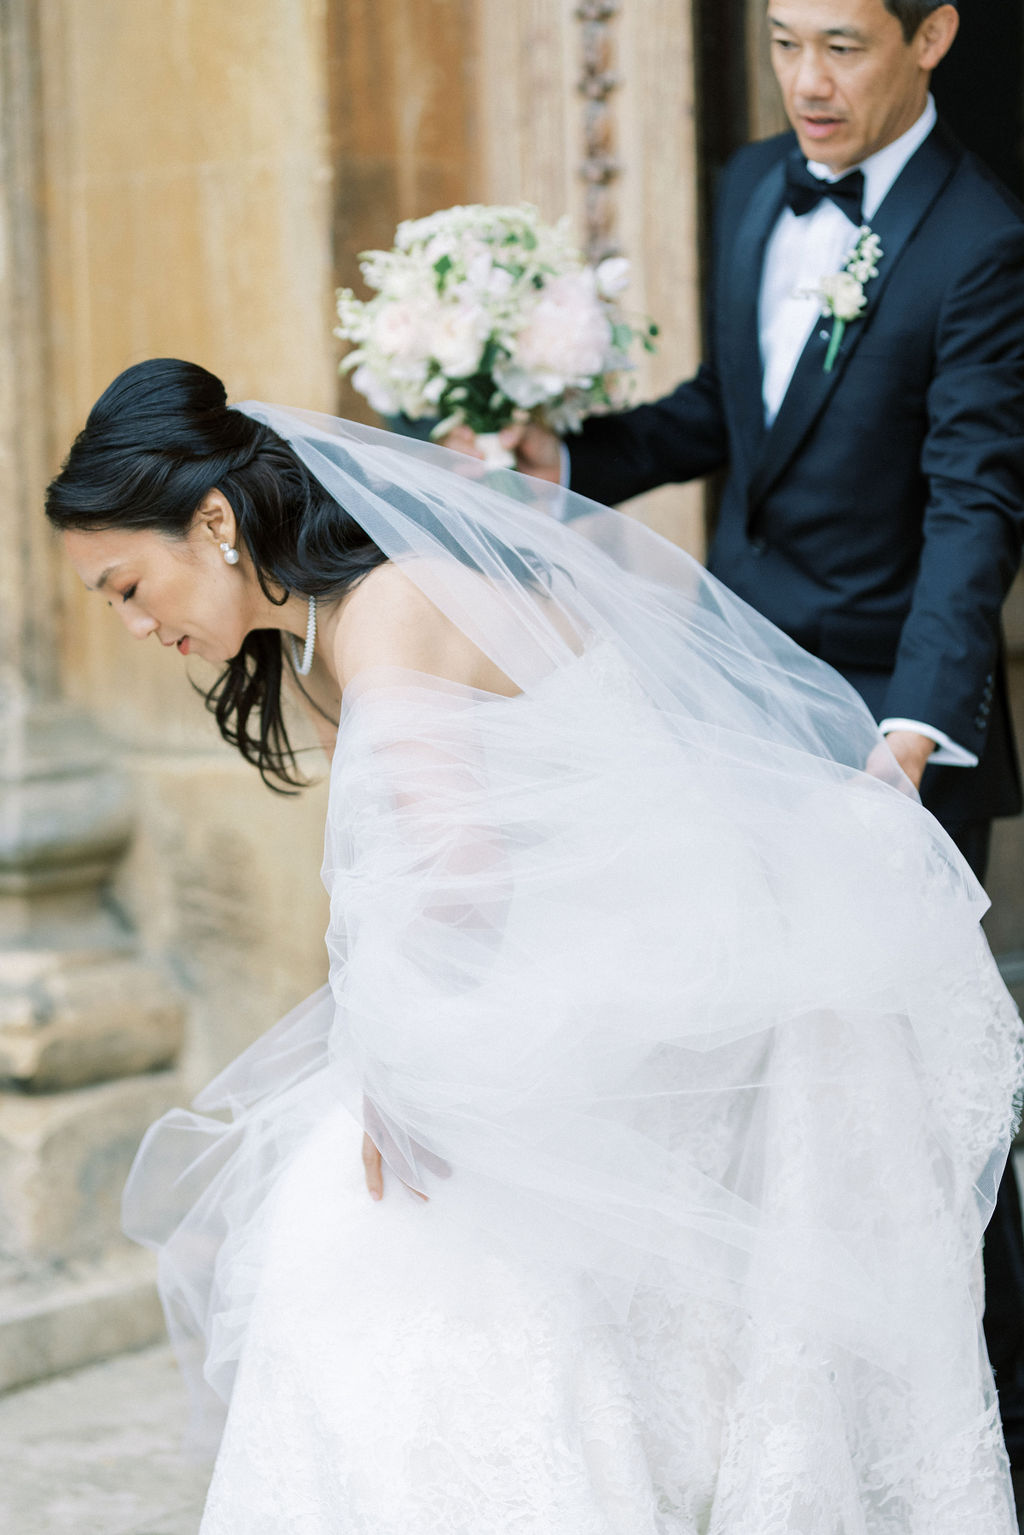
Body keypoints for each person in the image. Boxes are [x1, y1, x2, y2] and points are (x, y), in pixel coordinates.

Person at [49, 358, 1022, 1532]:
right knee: (357, 1210)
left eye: (125, 583)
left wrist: (405, 1070)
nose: (134, 621)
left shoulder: (392, 610)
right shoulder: (316, 641)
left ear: (212, 522)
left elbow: (460, 873)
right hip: (602, 960)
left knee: (363, 1228)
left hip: (678, 965)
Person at [456, 0, 1024, 1465]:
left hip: (886, 739)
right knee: (770, 1069)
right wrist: (569, 459)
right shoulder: (747, 187)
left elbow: (976, 506)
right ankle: (797, 1417)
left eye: (842, 43)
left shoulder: (983, 240)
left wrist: (913, 730)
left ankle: (991, 1413)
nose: (807, 82)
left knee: (924, 1086)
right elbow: (737, 411)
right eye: (783, 42)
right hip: (728, 699)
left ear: (935, 34)